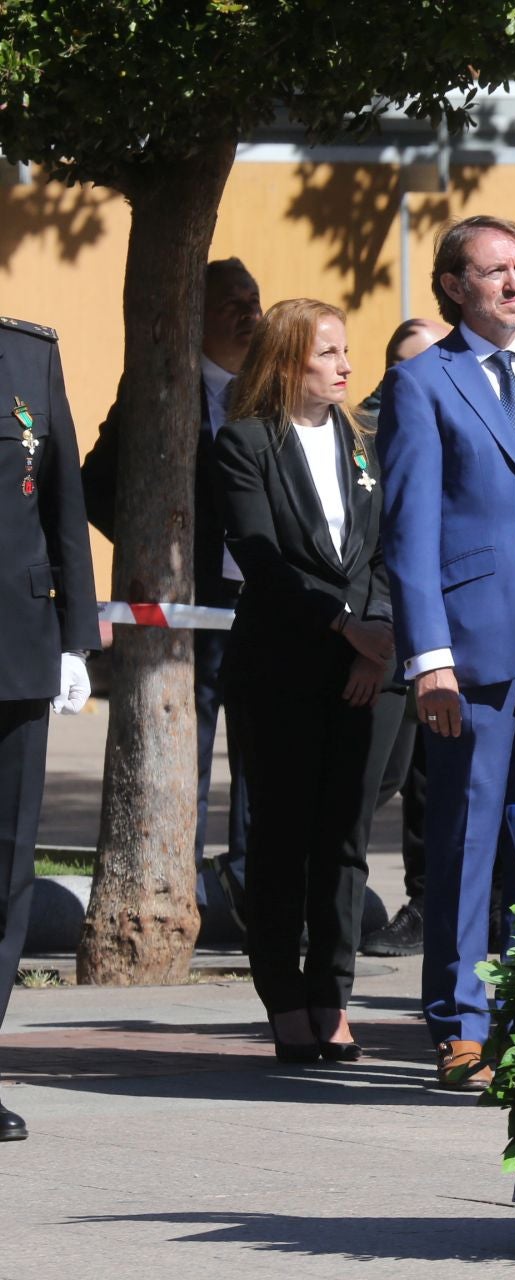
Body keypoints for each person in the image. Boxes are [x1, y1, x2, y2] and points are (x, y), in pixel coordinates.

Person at [377, 215, 515, 1090]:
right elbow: (410, 532)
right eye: (492, 271)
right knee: (468, 840)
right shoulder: (423, 384)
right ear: (454, 289)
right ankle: (462, 1025)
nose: (513, 283)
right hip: (474, 648)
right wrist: (427, 655)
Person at [215, 299, 406, 1063]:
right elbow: (262, 558)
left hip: (366, 664)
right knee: (283, 837)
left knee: (346, 838)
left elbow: (391, 546)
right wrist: (341, 624)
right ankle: (285, 997)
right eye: (327, 354)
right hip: (283, 666)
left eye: (346, 351)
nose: (346, 367)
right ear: (288, 363)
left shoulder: (364, 441)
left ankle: (332, 993)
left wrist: (374, 640)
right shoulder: (246, 442)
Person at [82, 258, 261, 897]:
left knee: (262, 744)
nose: (249, 315)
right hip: (194, 604)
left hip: (269, 601)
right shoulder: (162, 388)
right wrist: (156, 552)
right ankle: (176, 879)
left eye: (254, 301)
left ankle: (249, 881)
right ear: (197, 317)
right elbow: (95, 487)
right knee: (193, 736)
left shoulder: (275, 388)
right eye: (231, 305)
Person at [0, 314, 99, 1141]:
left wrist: (76, 639)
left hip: (15, 649)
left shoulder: (29, 354)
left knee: (6, 871)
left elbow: (65, 497)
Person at [358, 317, 451, 958]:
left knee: (432, 778)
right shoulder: (363, 431)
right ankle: (331, 903)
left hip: (457, 622)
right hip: (391, 625)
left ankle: (428, 901)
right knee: (382, 775)